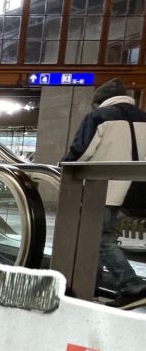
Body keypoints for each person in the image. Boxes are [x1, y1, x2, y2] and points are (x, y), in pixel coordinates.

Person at [62, 78, 146, 308]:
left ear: (99, 101)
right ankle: (91, 282)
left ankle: (132, 286)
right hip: (135, 190)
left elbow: (80, 151)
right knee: (99, 236)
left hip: (102, 190)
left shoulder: (99, 116)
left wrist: (64, 169)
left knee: (99, 239)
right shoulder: (142, 117)